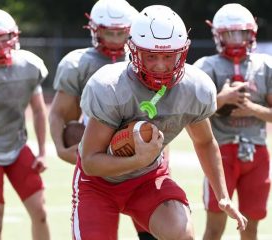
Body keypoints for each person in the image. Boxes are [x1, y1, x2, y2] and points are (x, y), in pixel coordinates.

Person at [71, 5, 248, 240]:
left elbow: (205, 142)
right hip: (98, 184)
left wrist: (222, 196)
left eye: (168, 56)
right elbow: (91, 162)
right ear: (134, 52)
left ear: (182, 53)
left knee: (181, 234)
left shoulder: (195, 87)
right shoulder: (110, 86)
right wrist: (138, 159)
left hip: (147, 178)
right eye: (151, 56)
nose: (161, 65)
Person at [49, 0, 157, 239]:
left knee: (153, 232)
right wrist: (60, 147)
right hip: (98, 151)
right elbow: (58, 112)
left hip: (140, 146)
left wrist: (158, 152)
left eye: (123, 33)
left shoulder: (149, 60)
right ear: (95, 30)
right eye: (110, 32)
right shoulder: (78, 64)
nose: (117, 39)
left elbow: (162, 114)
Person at [194, 3, 271, 240]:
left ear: (252, 33)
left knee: (251, 229)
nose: (236, 39)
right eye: (230, 33)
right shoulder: (205, 67)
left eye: (242, 33)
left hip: (256, 152)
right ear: (218, 34)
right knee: (214, 227)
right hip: (220, 154)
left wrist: (252, 108)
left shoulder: (265, 65)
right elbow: (191, 112)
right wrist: (222, 99)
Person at [0, 8, 50, 240]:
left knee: (41, 212)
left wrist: (43, 151)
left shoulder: (29, 64)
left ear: (14, 36)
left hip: (17, 149)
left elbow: (38, 110)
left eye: (3, 38)